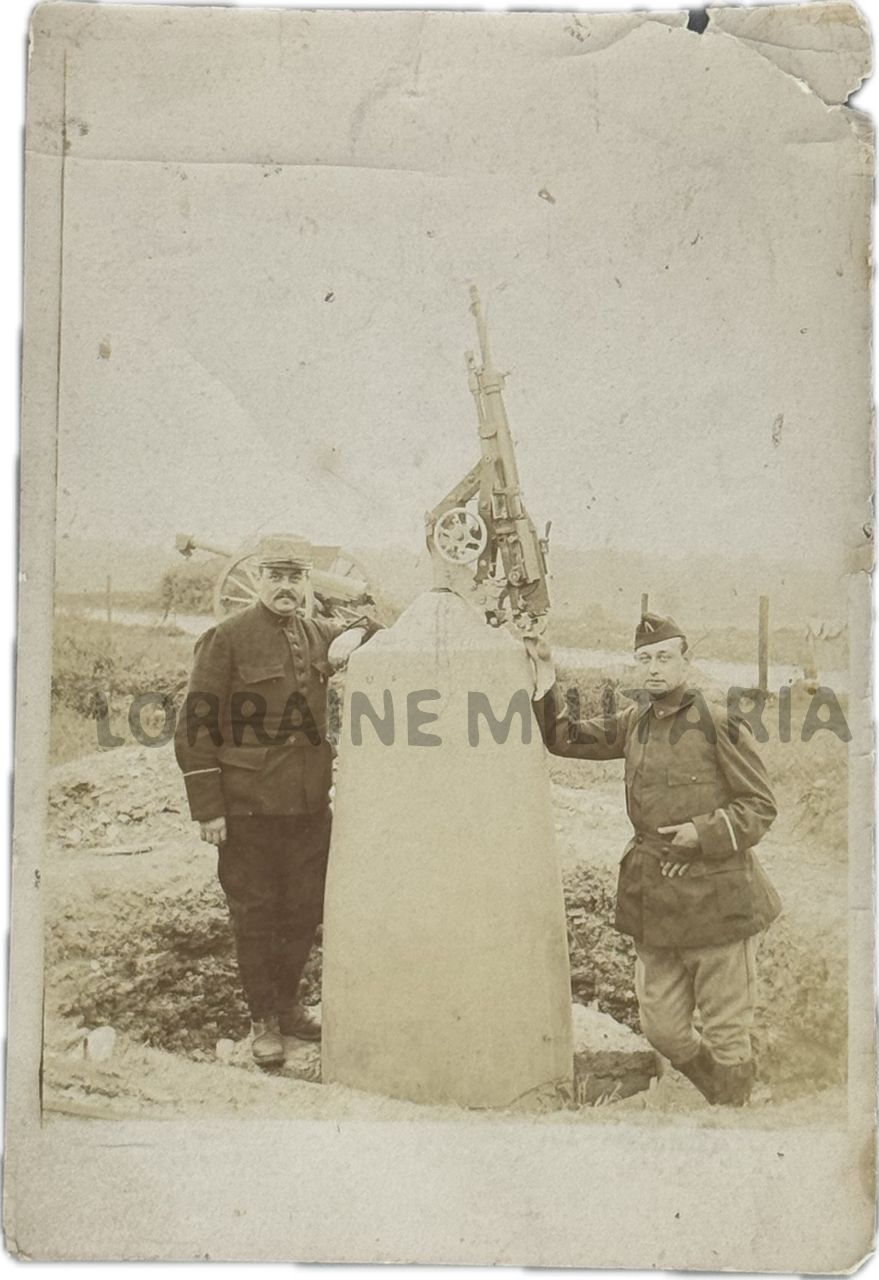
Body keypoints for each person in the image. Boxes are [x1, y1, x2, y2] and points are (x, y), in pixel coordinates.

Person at [533, 612, 781, 1106]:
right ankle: (725, 1096)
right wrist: (544, 673)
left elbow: (759, 806)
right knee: (662, 1028)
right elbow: (561, 737)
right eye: (643, 659)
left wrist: (701, 832)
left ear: (686, 662)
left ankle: (733, 1114)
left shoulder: (718, 722)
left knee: (727, 1028)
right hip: (658, 901)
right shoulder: (634, 723)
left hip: (717, 898)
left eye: (664, 657)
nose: (653, 669)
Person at [174, 534, 378, 1068]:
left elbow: (372, 627)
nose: (286, 587)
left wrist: (352, 631)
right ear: (258, 580)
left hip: (309, 806)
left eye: (296, 578)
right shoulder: (227, 638)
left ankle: (288, 1007)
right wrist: (209, 808)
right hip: (247, 809)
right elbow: (194, 726)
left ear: (309, 584)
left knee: (304, 911)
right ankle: (262, 1018)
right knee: (257, 915)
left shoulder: (316, 634)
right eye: (276, 577)